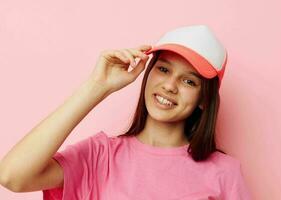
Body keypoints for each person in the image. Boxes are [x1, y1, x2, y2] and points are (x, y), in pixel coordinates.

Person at [0, 25, 252, 199]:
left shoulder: (224, 173)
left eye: (189, 81)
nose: (169, 86)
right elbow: (12, 176)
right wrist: (97, 87)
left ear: (203, 100)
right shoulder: (101, 156)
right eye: (163, 69)